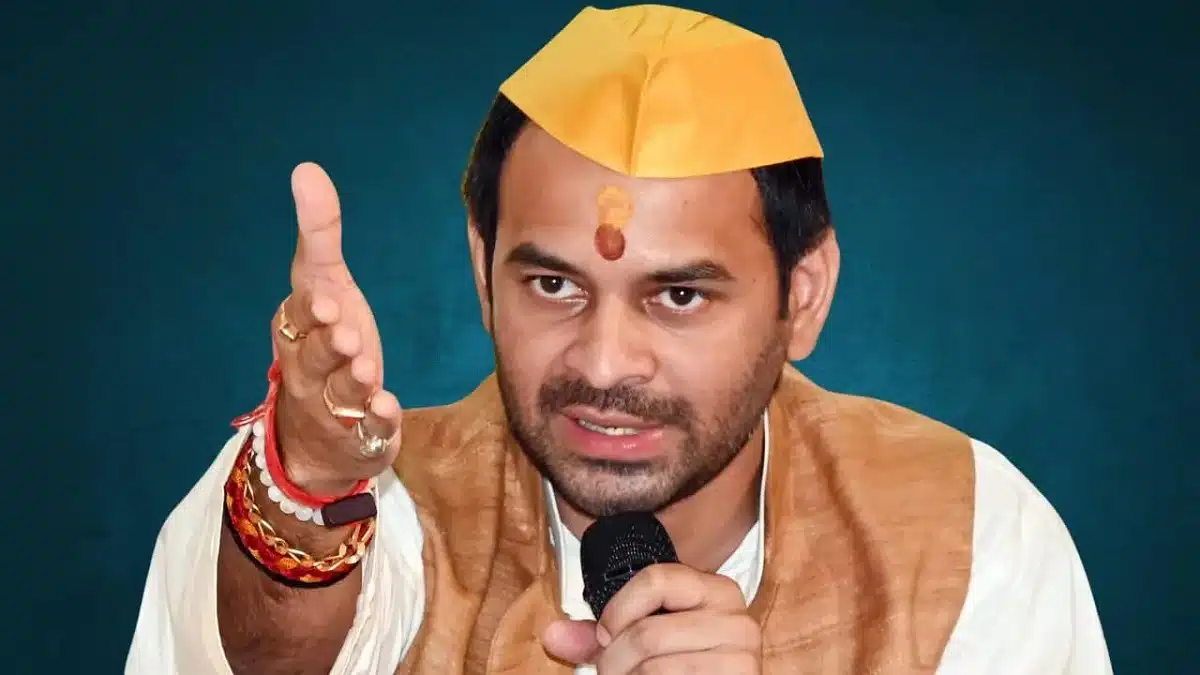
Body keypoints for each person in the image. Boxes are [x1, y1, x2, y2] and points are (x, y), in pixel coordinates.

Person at [125, 4, 1112, 674]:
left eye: (679, 295)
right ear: (482, 269)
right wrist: (304, 492)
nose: (603, 364)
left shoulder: (967, 535)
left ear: (803, 296)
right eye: (554, 284)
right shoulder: (360, 504)